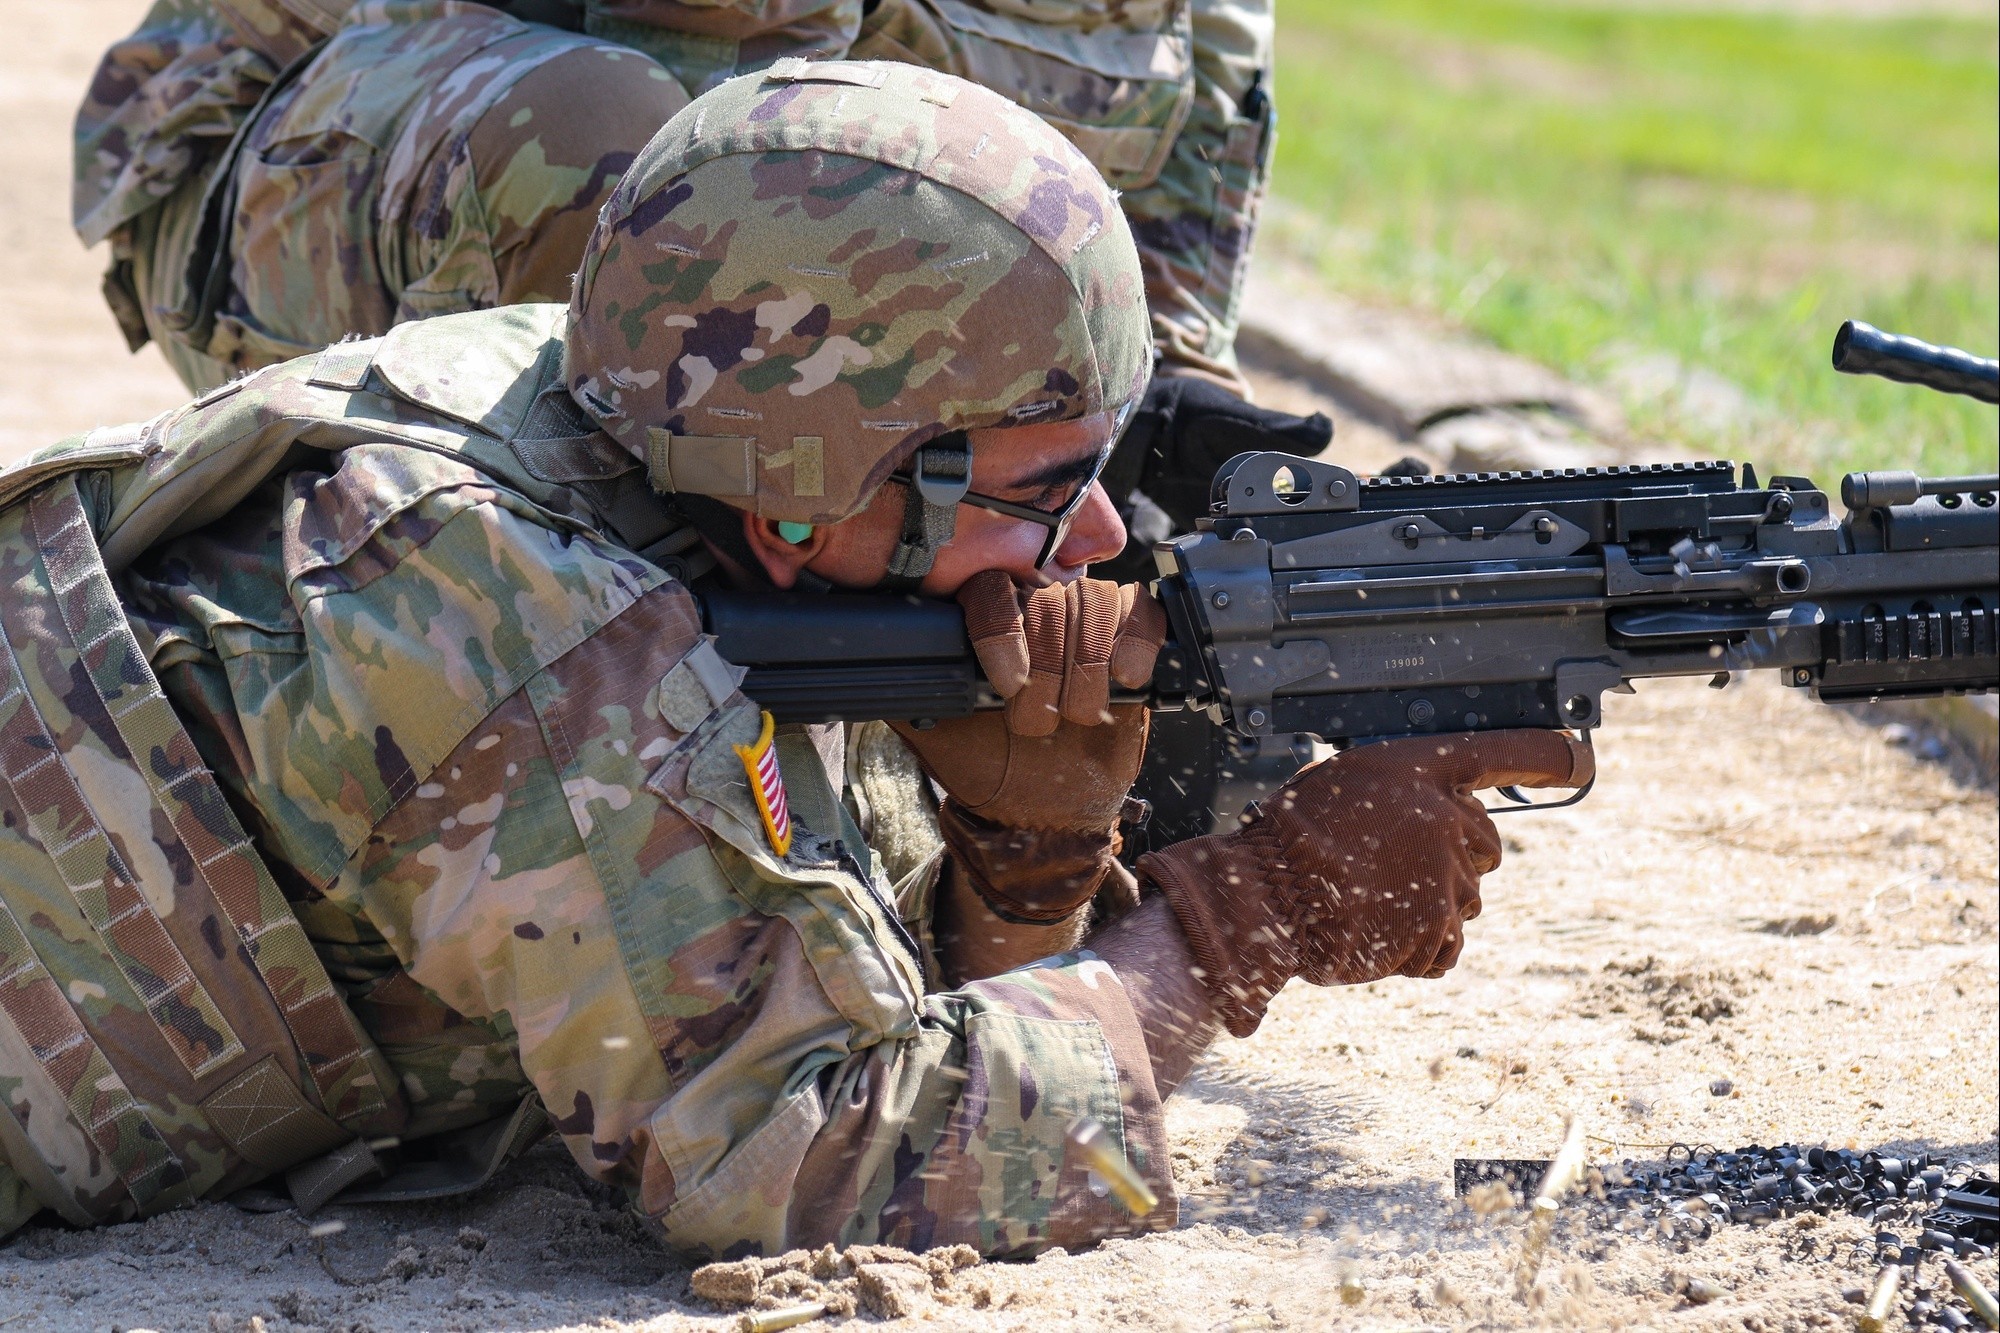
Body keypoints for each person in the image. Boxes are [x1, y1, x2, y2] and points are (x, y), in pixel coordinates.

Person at [2, 67, 1587, 1251]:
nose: (1102, 541)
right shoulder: (520, 616)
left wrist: (1025, 855)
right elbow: (819, 1159)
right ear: (803, 499)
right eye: (1041, 492)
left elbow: (813, 985)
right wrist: (1252, 915)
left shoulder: (636, 415)